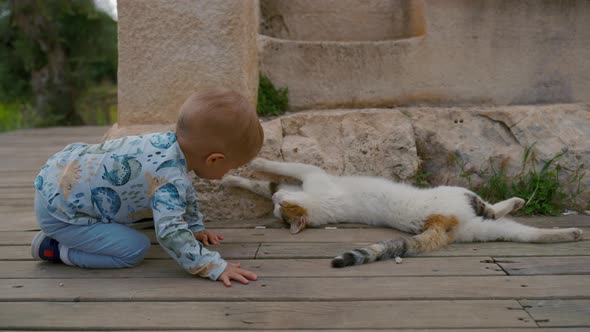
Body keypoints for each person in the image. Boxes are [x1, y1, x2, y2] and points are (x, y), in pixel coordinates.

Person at [31, 88, 262, 286]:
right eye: (231, 168)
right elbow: (170, 233)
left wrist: (194, 226)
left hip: (57, 178)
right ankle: (56, 248)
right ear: (214, 159)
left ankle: (70, 234)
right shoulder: (170, 179)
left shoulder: (166, 145)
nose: (227, 174)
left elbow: (185, 191)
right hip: (60, 213)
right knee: (134, 249)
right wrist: (213, 265)